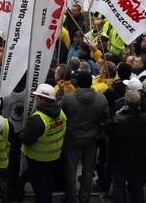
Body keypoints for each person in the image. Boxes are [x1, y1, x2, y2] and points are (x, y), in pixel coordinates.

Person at [60, 70, 110, 203]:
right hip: (91, 137)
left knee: (71, 169)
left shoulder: (68, 98)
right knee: (88, 169)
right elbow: (106, 119)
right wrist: (98, 130)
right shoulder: (101, 99)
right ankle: (84, 197)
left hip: (72, 136)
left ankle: (71, 197)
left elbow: (58, 114)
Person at [20, 84, 67, 203]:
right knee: (47, 180)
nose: (36, 100)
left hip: (37, 157)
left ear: (42, 99)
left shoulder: (38, 119)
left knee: (39, 185)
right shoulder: (60, 112)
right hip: (53, 155)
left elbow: (26, 139)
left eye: (37, 98)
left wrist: (22, 133)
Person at [108, 89, 146, 203]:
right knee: (138, 189)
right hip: (139, 160)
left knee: (118, 188)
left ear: (126, 103)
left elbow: (110, 135)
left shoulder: (118, 120)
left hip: (120, 160)